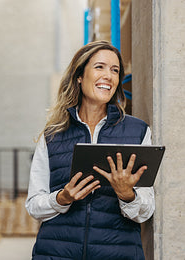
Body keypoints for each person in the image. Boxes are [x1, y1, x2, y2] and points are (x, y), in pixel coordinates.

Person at [25, 40, 155, 260]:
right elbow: (33, 206)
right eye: (99, 67)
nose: (109, 76)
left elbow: (146, 209)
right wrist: (62, 198)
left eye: (115, 70)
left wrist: (127, 195)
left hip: (118, 254)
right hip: (56, 253)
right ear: (79, 76)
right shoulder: (52, 136)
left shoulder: (138, 131)